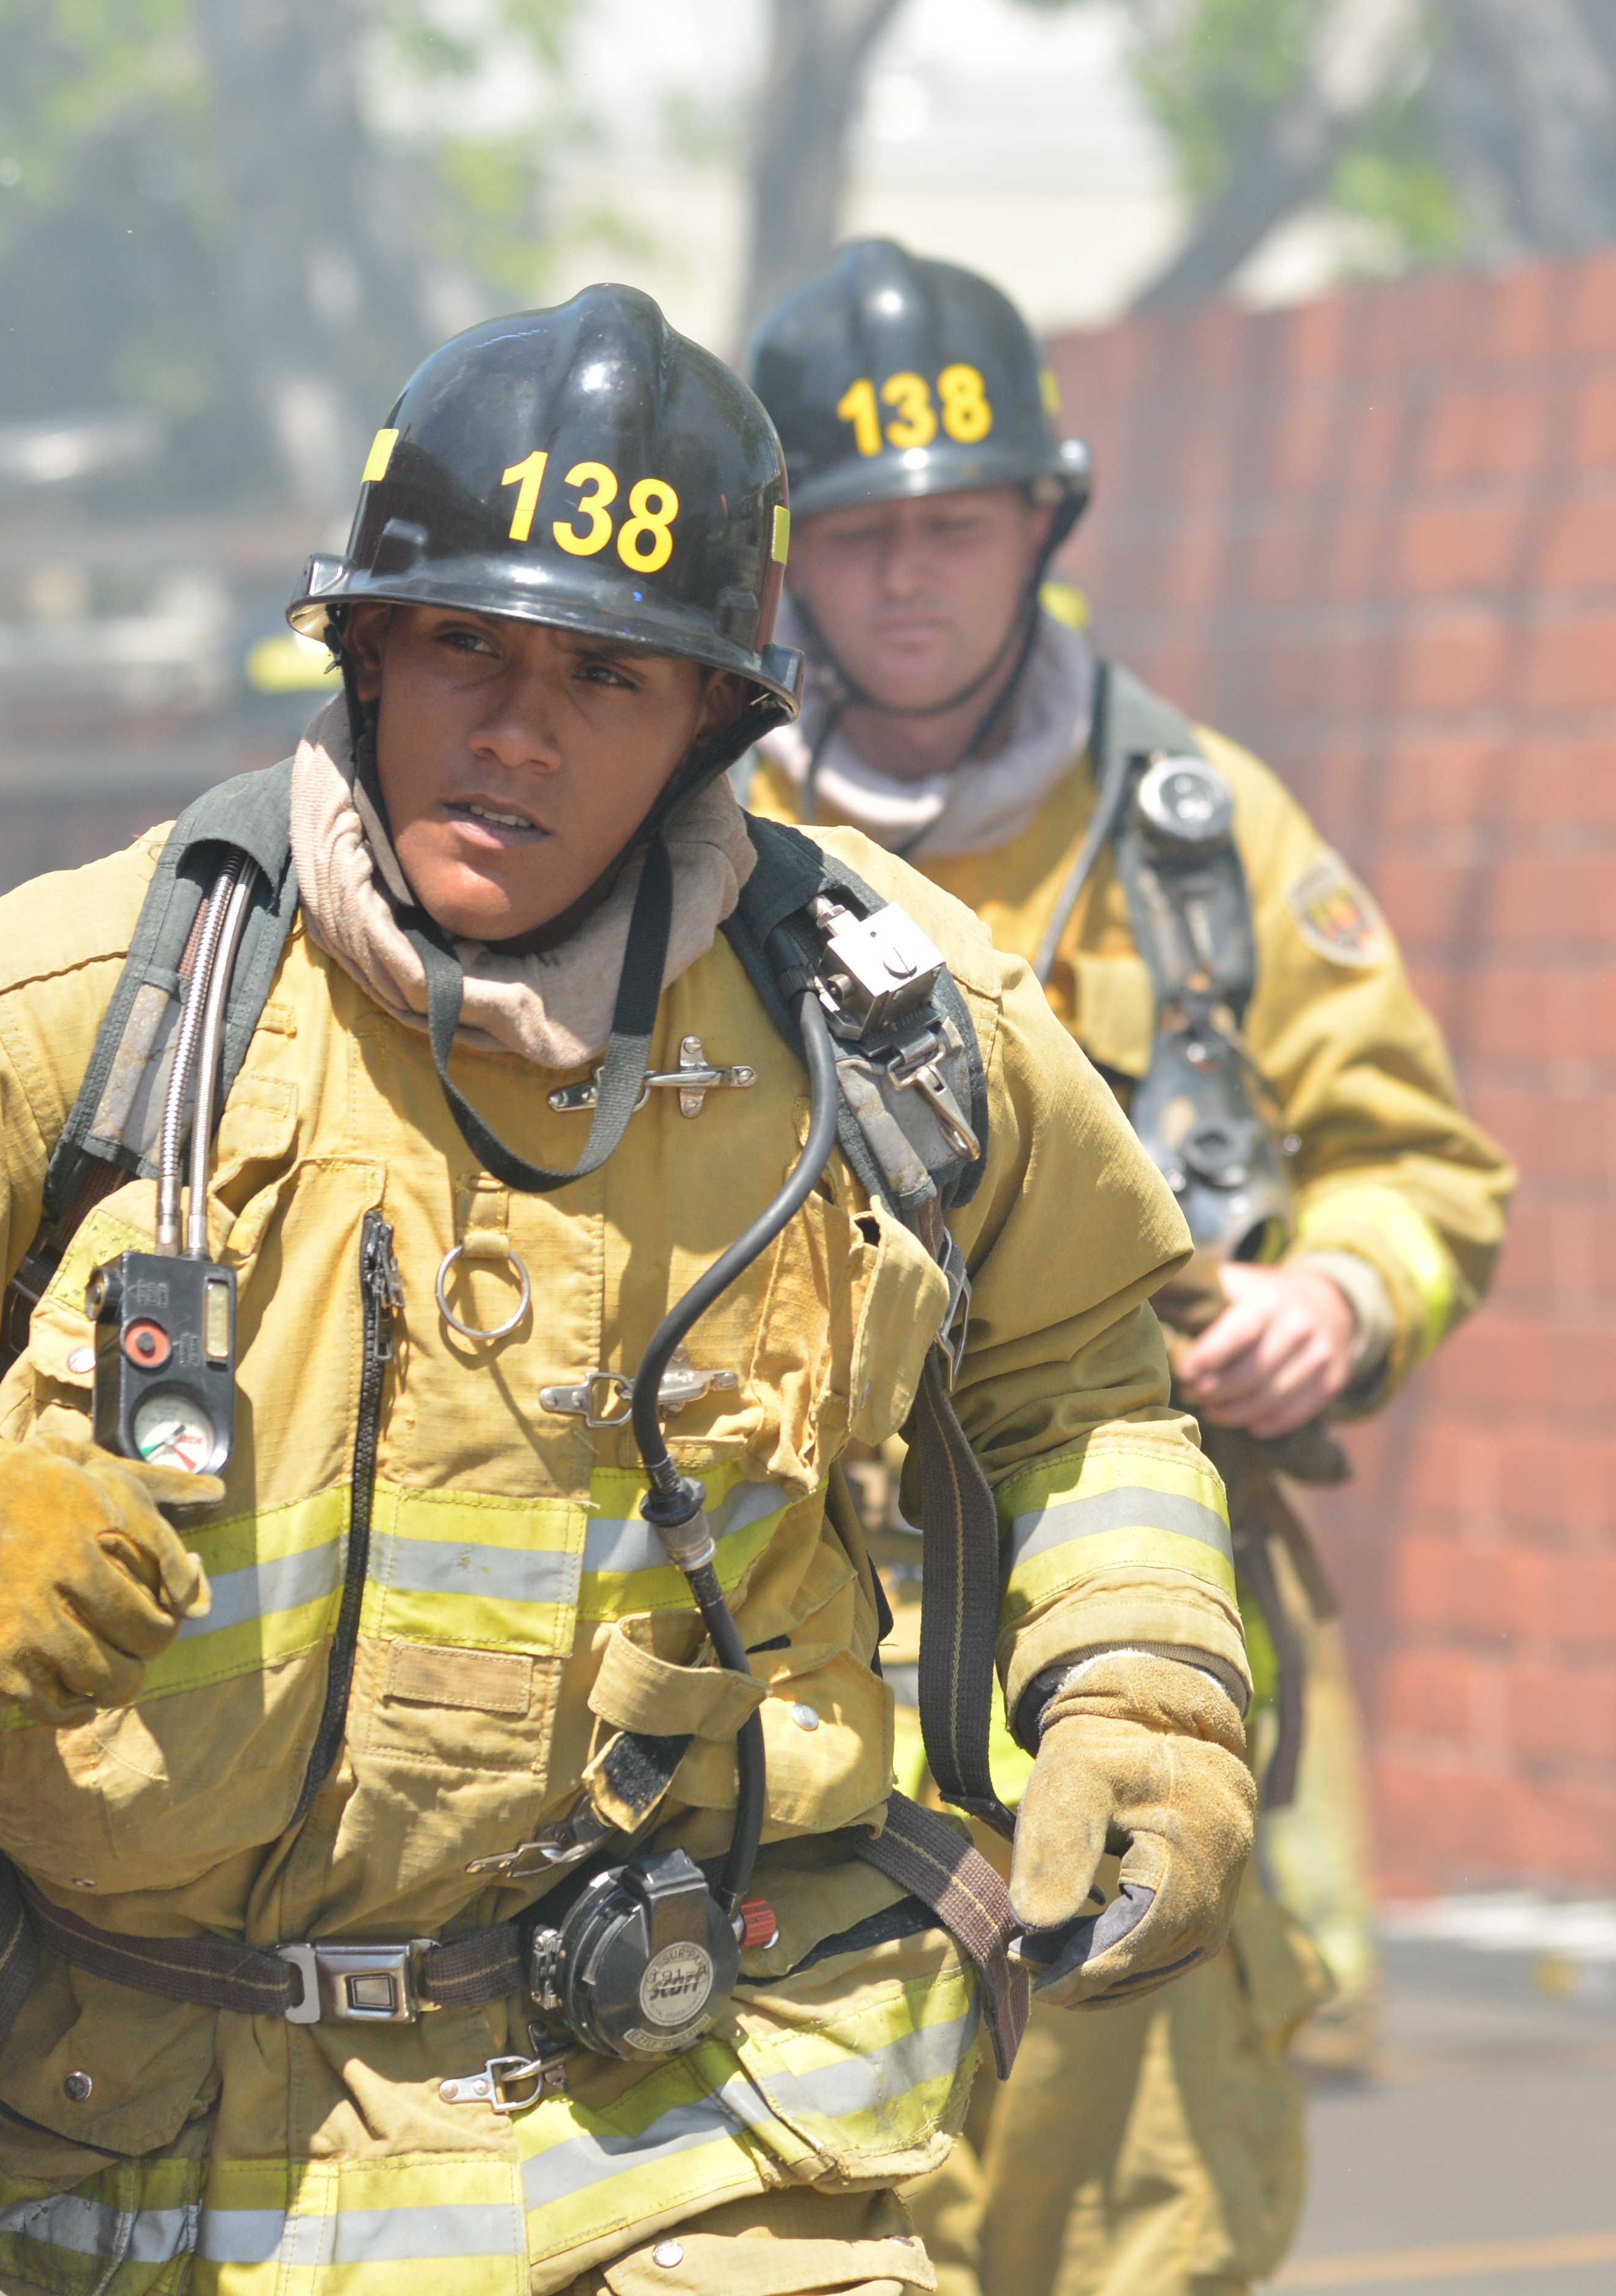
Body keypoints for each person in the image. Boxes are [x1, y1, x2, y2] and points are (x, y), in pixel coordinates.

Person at [0, 285, 1260, 2296]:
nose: (515, 733)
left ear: (710, 718)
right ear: (359, 652)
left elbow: (1076, 1383)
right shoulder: (91, 1008)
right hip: (190, 2153)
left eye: (603, 680)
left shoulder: (876, 1023)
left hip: (709, 2112)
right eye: (460, 648)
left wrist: (1141, 1691)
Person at [744, 240, 1513, 2296]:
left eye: (954, 524)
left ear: (1038, 525)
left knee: (1131, 2233)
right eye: (852, 534)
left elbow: (1417, 1169)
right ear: (781, 562)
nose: (905, 576)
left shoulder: (1196, 835)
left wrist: (1337, 1295)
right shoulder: (692, 838)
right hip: (777, 1671)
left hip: (1142, 1637)